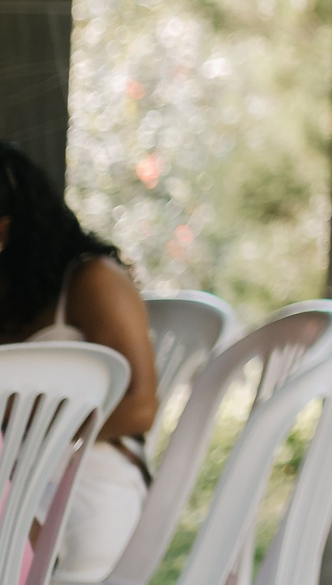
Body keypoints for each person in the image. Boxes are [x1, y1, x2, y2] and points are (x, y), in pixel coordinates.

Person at [0, 141, 156, 585]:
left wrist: (31, 444)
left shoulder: (93, 281)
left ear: (4, 230)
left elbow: (142, 407)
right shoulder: (9, 294)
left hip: (82, 486)